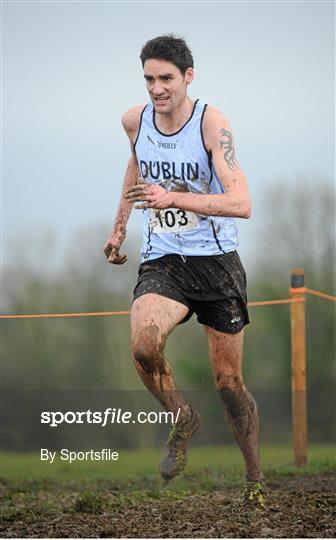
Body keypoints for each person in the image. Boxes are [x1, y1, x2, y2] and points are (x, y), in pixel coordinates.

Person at [104, 34, 265, 507]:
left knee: (228, 383)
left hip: (216, 264)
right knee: (143, 346)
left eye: (166, 79)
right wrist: (118, 230)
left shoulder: (212, 124)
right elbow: (135, 167)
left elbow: (242, 202)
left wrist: (172, 196)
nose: (156, 88)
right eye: (150, 78)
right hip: (164, 259)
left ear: (188, 77)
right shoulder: (134, 121)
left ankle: (254, 480)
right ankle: (181, 417)